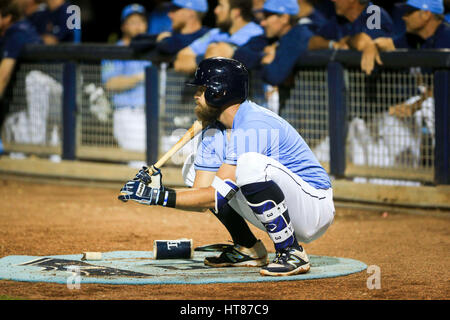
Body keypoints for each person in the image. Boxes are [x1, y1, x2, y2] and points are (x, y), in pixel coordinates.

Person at [118, 57, 335, 277]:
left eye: (201, 90)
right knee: (193, 169)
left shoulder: (253, 124)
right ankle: (247, 248)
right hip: (285, 205)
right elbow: (202, 199)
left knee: (249, 165)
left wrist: (159, 197)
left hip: (313, 206)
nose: (195, 96)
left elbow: (215, 196)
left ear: (219, 92)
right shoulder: (214, 132)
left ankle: (291, 251)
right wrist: (159, 193)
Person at [101, 4, 151, 153]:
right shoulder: (113, 50)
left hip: (153, 114)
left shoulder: (153, 50)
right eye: (133, 22)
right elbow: (110, 83)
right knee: (138, 161)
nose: (138, 26)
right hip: (127, 113)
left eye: (141, 21)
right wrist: (139, 77)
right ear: (123, 26)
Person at [174, 0, 264, 74]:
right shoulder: (215, 33)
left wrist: (205, 59)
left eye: (221, 6)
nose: (216, 10)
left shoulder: (257, 33)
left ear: (236, 12)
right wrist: (209, 57)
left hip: (248, 95)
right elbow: (181, 60)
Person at [308, 0, 394, 75]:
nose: (332, 0)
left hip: (382, 86)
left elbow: (363, 42)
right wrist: (333, 44)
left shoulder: (373, 13)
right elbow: (312, 42)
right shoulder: (339, 20)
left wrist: (347, 40)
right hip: (353, 86)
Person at [0, 0, 42, 126]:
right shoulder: (8, 33)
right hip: (27, 99)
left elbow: (3, 76)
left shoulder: (17, 32)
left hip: (47, 88)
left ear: (7, 18)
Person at [374, 0, 450, 50]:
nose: (404, 18)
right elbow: (387, 44)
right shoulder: (413, 38)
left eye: (409, 13)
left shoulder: (446, 38)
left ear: (426, 14)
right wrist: (372, 46)